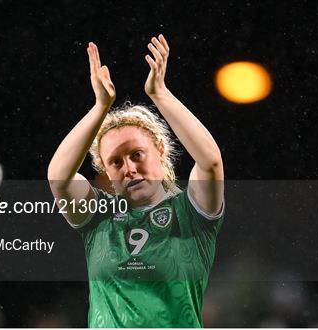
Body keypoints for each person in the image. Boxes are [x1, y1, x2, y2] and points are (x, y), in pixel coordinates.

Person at [47, 35, 225, 328]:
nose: (129, 168)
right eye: (115, 162)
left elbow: (210, 161)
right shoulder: (99, 217)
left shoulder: (192, 213)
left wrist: (160, 93)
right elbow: (59, 178)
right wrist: (100, 107)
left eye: (137, 154)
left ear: (161, 150)